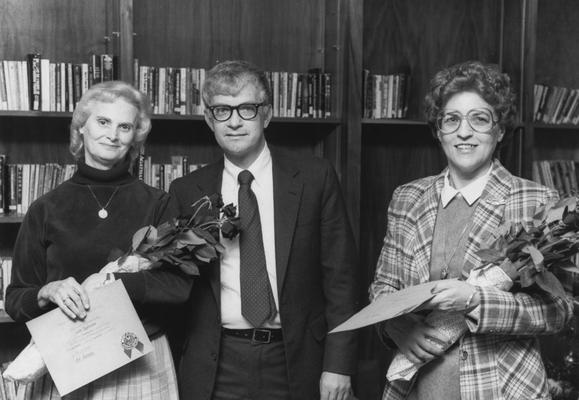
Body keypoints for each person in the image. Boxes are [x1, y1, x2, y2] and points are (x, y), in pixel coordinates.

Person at [369, 60, 573, 400]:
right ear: (438, 130)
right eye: (451, 119)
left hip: (503, 389)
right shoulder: (407, 198)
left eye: (479, 118)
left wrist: (475, 300)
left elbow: (558, 311)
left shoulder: (537, 201)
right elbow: (383, 288)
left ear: (500, 130)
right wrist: (398, 328)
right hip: (418, 387)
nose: (464, 132)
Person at [166, 60, 358, 400]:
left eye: (247, 109)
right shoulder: (186, 191)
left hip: (296, 359)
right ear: (209, 119)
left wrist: (339, 364)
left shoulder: (315, 178)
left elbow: (341, 280)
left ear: (266, 114)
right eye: (223, 110)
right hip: (216, 363)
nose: (235, 121)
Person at [6, 81, 193, 399]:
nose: (113, 134)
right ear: (82, 127)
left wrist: (115, 281)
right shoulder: (46, 208)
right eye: (103, 121)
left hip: (138, 358)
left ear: (135, 137)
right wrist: (49, 291)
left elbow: (179, 288)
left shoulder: (159, 203)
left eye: (125, 126)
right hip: (66, 358)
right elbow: (15, 300)